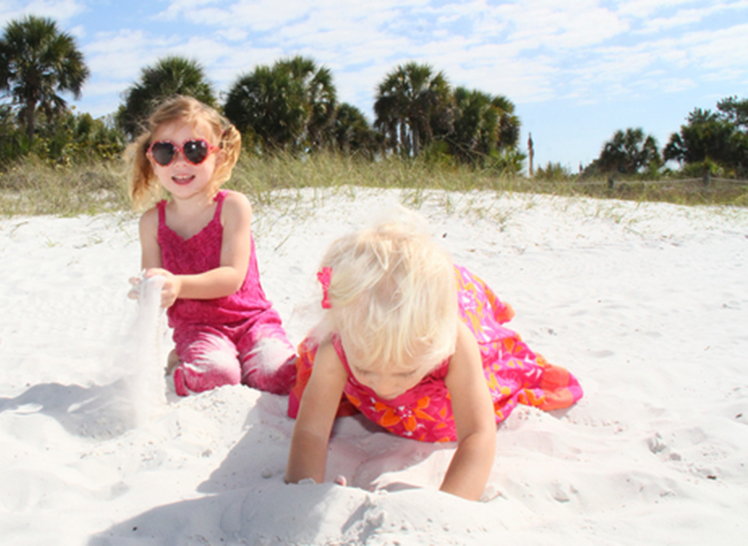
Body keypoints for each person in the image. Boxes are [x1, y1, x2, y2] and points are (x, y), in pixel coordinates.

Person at [285, 215, 583, 500]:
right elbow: (311, 431)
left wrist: (450, 504)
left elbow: (478, 434)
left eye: (404, 373)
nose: (385, 387)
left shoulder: (454, 341)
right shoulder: (340, 341)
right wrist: (301, 492)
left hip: (449, 314)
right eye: (365, 371)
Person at [125, 95, 296, 397]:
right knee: (218, 376)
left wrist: (176, 283)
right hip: (198, 327)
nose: (179, 161)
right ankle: (183, 363)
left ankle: (244, 357)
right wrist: (150, 289)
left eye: (194, 150)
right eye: (166, 151)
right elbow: (156, 279)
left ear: (217, 156)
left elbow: (231, 277)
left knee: (280, 377)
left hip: (252, 320)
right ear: (152, 159)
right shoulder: (152, 223)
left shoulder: (233, 207)